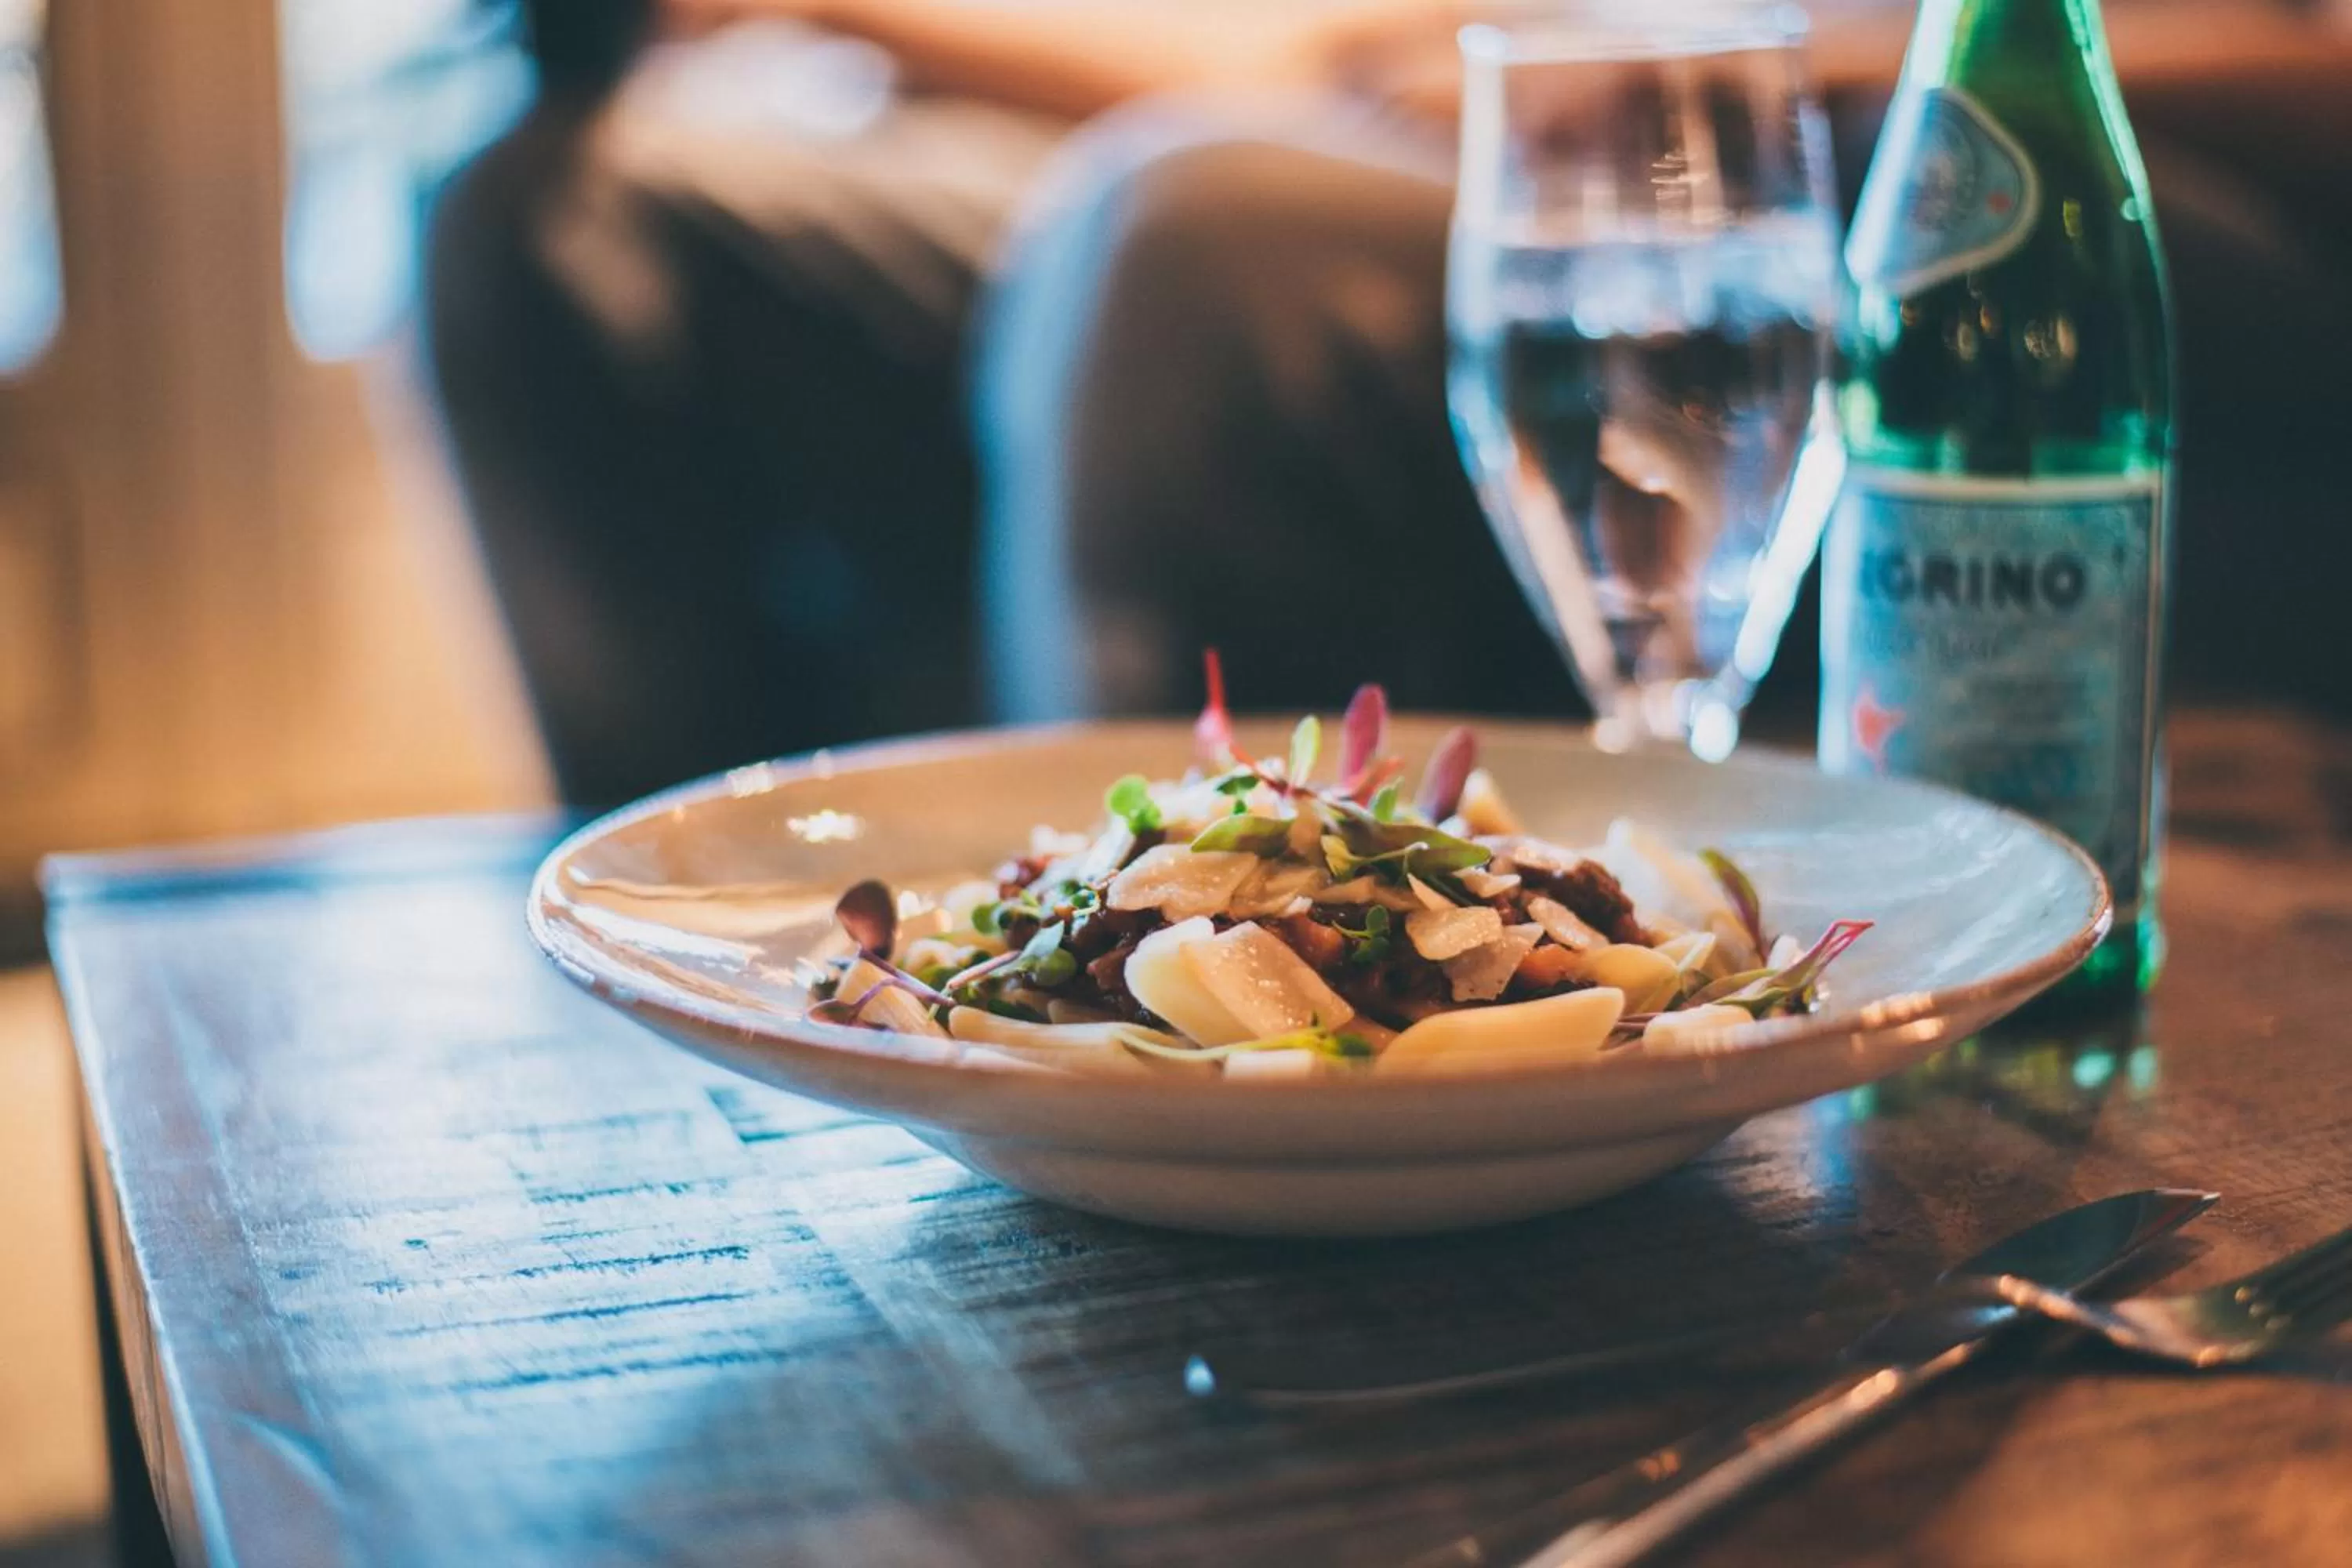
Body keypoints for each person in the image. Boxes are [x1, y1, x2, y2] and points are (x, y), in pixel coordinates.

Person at [426, 0, 2352, 804]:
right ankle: (735, 1036)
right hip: (1460, 128)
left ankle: (1149, 1013)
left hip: (1902, 154)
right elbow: (1347, 59)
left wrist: (1770, 65)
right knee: (551, 209)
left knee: (1185, 240)